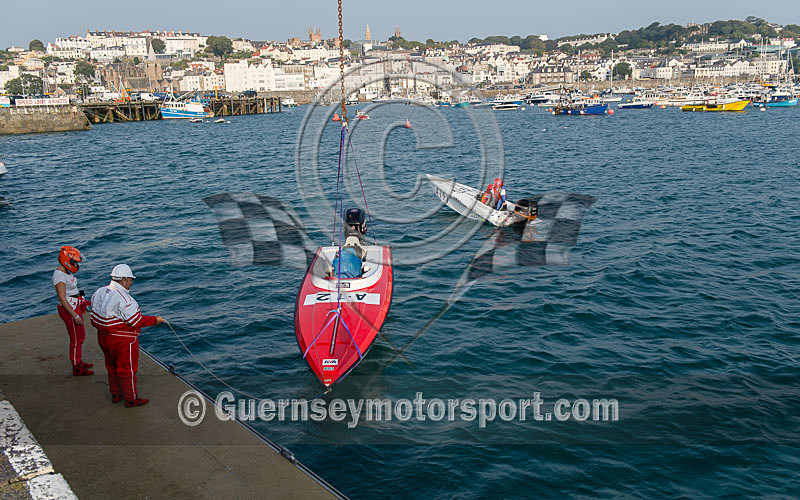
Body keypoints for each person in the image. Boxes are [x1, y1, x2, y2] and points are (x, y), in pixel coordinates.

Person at [90, 264, 163, 407]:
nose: (131, 283)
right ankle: (131, 398)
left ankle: (116, 394)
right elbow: (136, 321)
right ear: (123, 280)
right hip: (122, 341)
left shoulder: (99, 291)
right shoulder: (126, 300)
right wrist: (155, 320)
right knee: (127, 370)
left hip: (103, 337)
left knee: (111, 367)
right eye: (130, 280)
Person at [53, 246, 93, 376]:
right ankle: (76, 366)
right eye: (75, 262)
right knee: (76, 339)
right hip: (70, 310)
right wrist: (75, 316)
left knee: (80, 336)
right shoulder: (59, 276)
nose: (76, 265)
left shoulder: (66, 272)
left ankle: (78, 361)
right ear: (67, 261)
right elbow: (62, 299)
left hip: (74, 306)